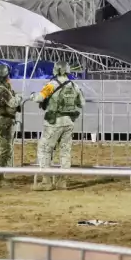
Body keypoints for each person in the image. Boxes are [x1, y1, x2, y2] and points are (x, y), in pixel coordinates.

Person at [30, 62, 84, 192]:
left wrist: (32, 95)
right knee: (65, 152)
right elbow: (82, 103)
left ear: (56, 70)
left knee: (44, 149)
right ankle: (62, 182)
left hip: (54, 123)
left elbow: (39, 98)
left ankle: (46, 181)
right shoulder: (74, 85)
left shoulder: (51, 84)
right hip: (69, 122)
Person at [0, 63, 22, 188]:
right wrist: (19, 97)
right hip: (3, 121)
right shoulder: (0, 89)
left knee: (1, 148)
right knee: (3, 149)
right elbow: (13, 103)